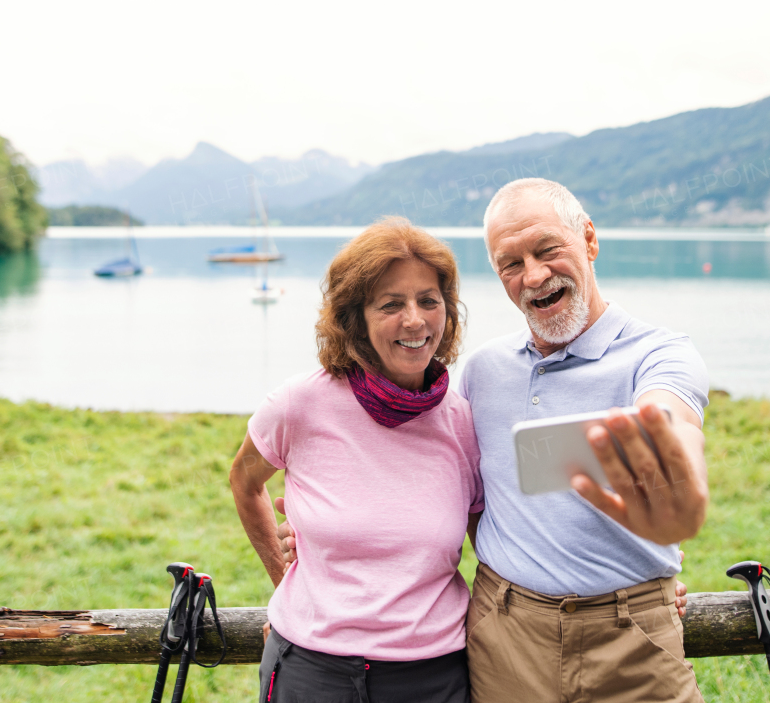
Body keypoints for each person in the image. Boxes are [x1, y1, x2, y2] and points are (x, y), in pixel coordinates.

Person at [279, 178, 710, 702]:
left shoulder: (661, 355)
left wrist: (657, 552)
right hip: (503, 634)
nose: (534, 275)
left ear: (590, 240)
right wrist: (328, 533)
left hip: (632, 634)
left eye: (548, 249)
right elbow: (448, 483)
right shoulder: (483, 371)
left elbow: (669, 424)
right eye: (511, 263)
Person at [229, 218, 483, 703]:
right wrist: (286, 584)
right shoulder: (298, 404)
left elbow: (496, 547)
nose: (415, 320)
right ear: (355, 319)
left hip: (434, 679)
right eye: (391, 304)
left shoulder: (464, 422)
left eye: (429, 301)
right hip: (310, 671)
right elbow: (244, 481)